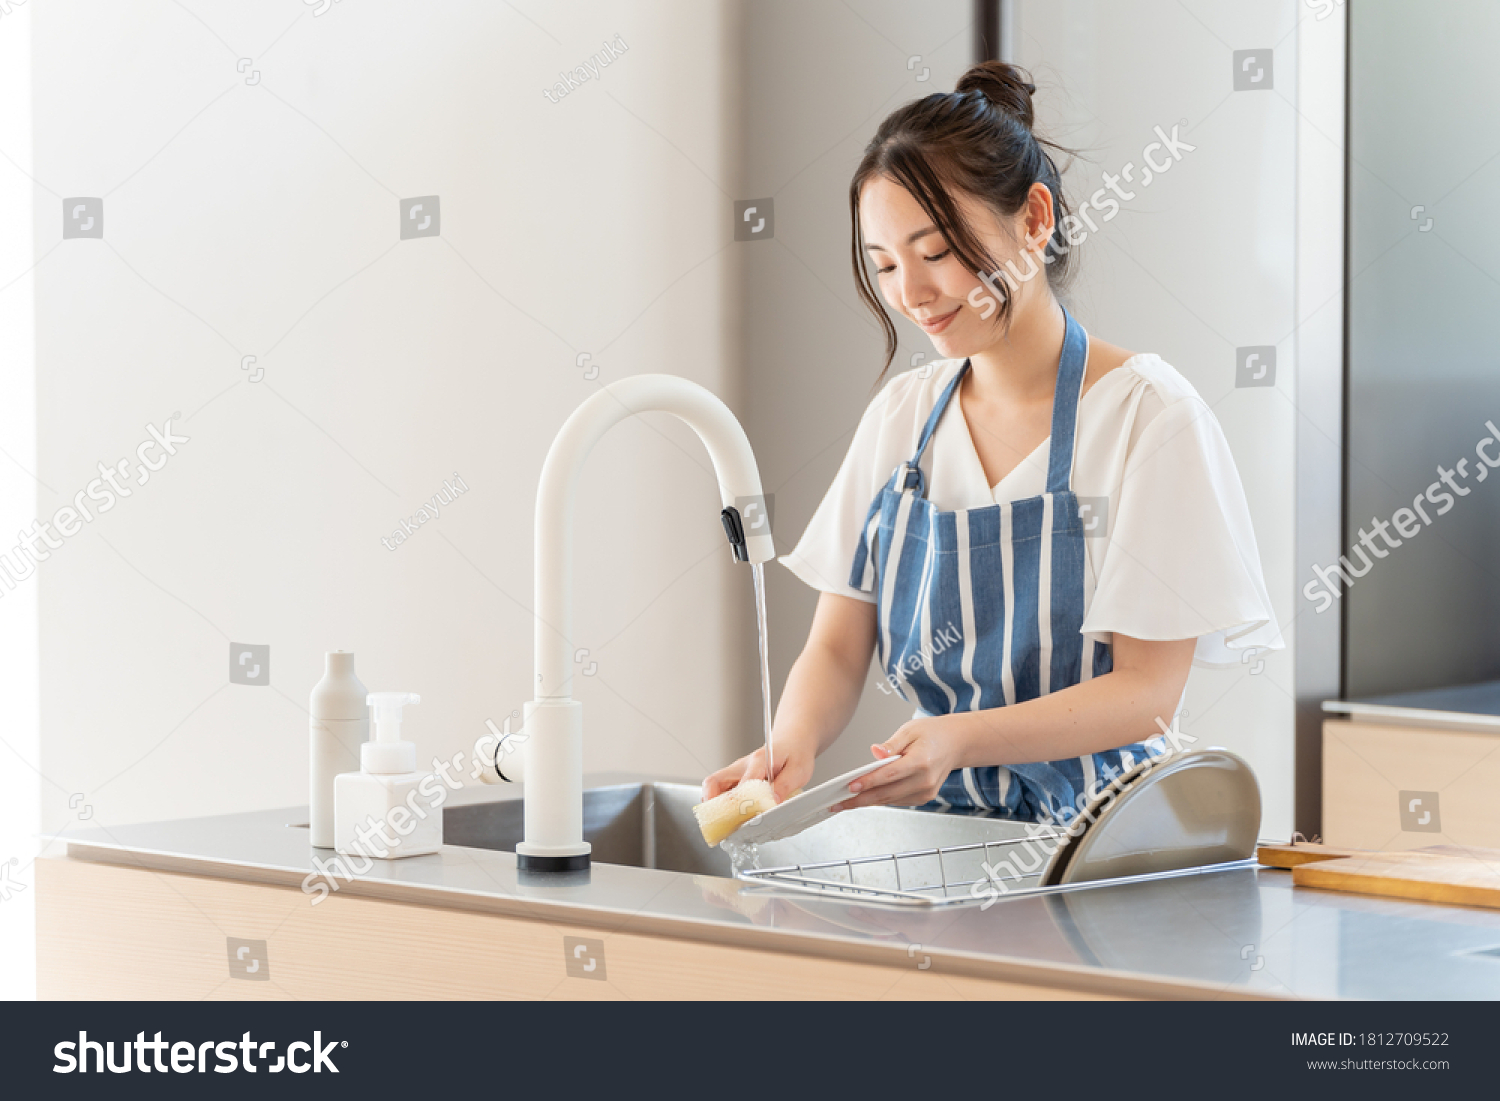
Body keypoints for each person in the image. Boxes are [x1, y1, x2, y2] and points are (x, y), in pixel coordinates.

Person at [703, 61, 1282, 824]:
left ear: (1036, 219)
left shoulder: (1147, 416)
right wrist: (790, 748)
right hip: (938, 844)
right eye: (884, 266)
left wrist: (961, 739)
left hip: (1105, 850)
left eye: (935, 252)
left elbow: (1147, 692)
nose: (910, 293)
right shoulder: (903, 419)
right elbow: (840, 646)